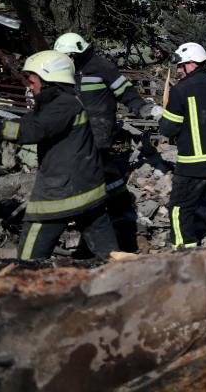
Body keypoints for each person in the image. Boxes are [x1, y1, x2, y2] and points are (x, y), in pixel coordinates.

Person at [0, 51, 117, 260]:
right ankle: (125, 281)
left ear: (48, 80)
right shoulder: (63, 102)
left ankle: (25, 283)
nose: (30, 86)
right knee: (111, 255)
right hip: (88, 189)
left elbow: (33, 131)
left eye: (33, 81)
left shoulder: (63, 105)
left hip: (62, 192)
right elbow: (28, 123)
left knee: (28, 260)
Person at [53, 32, 158, 251]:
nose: (66, 61)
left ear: (77, 53)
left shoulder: (101, 67)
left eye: (68, 57)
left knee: (97, 170)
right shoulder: (64, 69)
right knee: (100, 171)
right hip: (74, 130)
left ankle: (111, 216)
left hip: (99, 130)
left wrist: (142, 107)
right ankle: (103, 214)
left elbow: (125, 91)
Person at [159, 43, 206, 249]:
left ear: (192, 64)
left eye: (181, 66)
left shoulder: (180, 90)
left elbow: (168, 129)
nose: (179, 71)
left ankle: (184, 248)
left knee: (180, 207)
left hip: (192, 162)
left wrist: (161, 117)